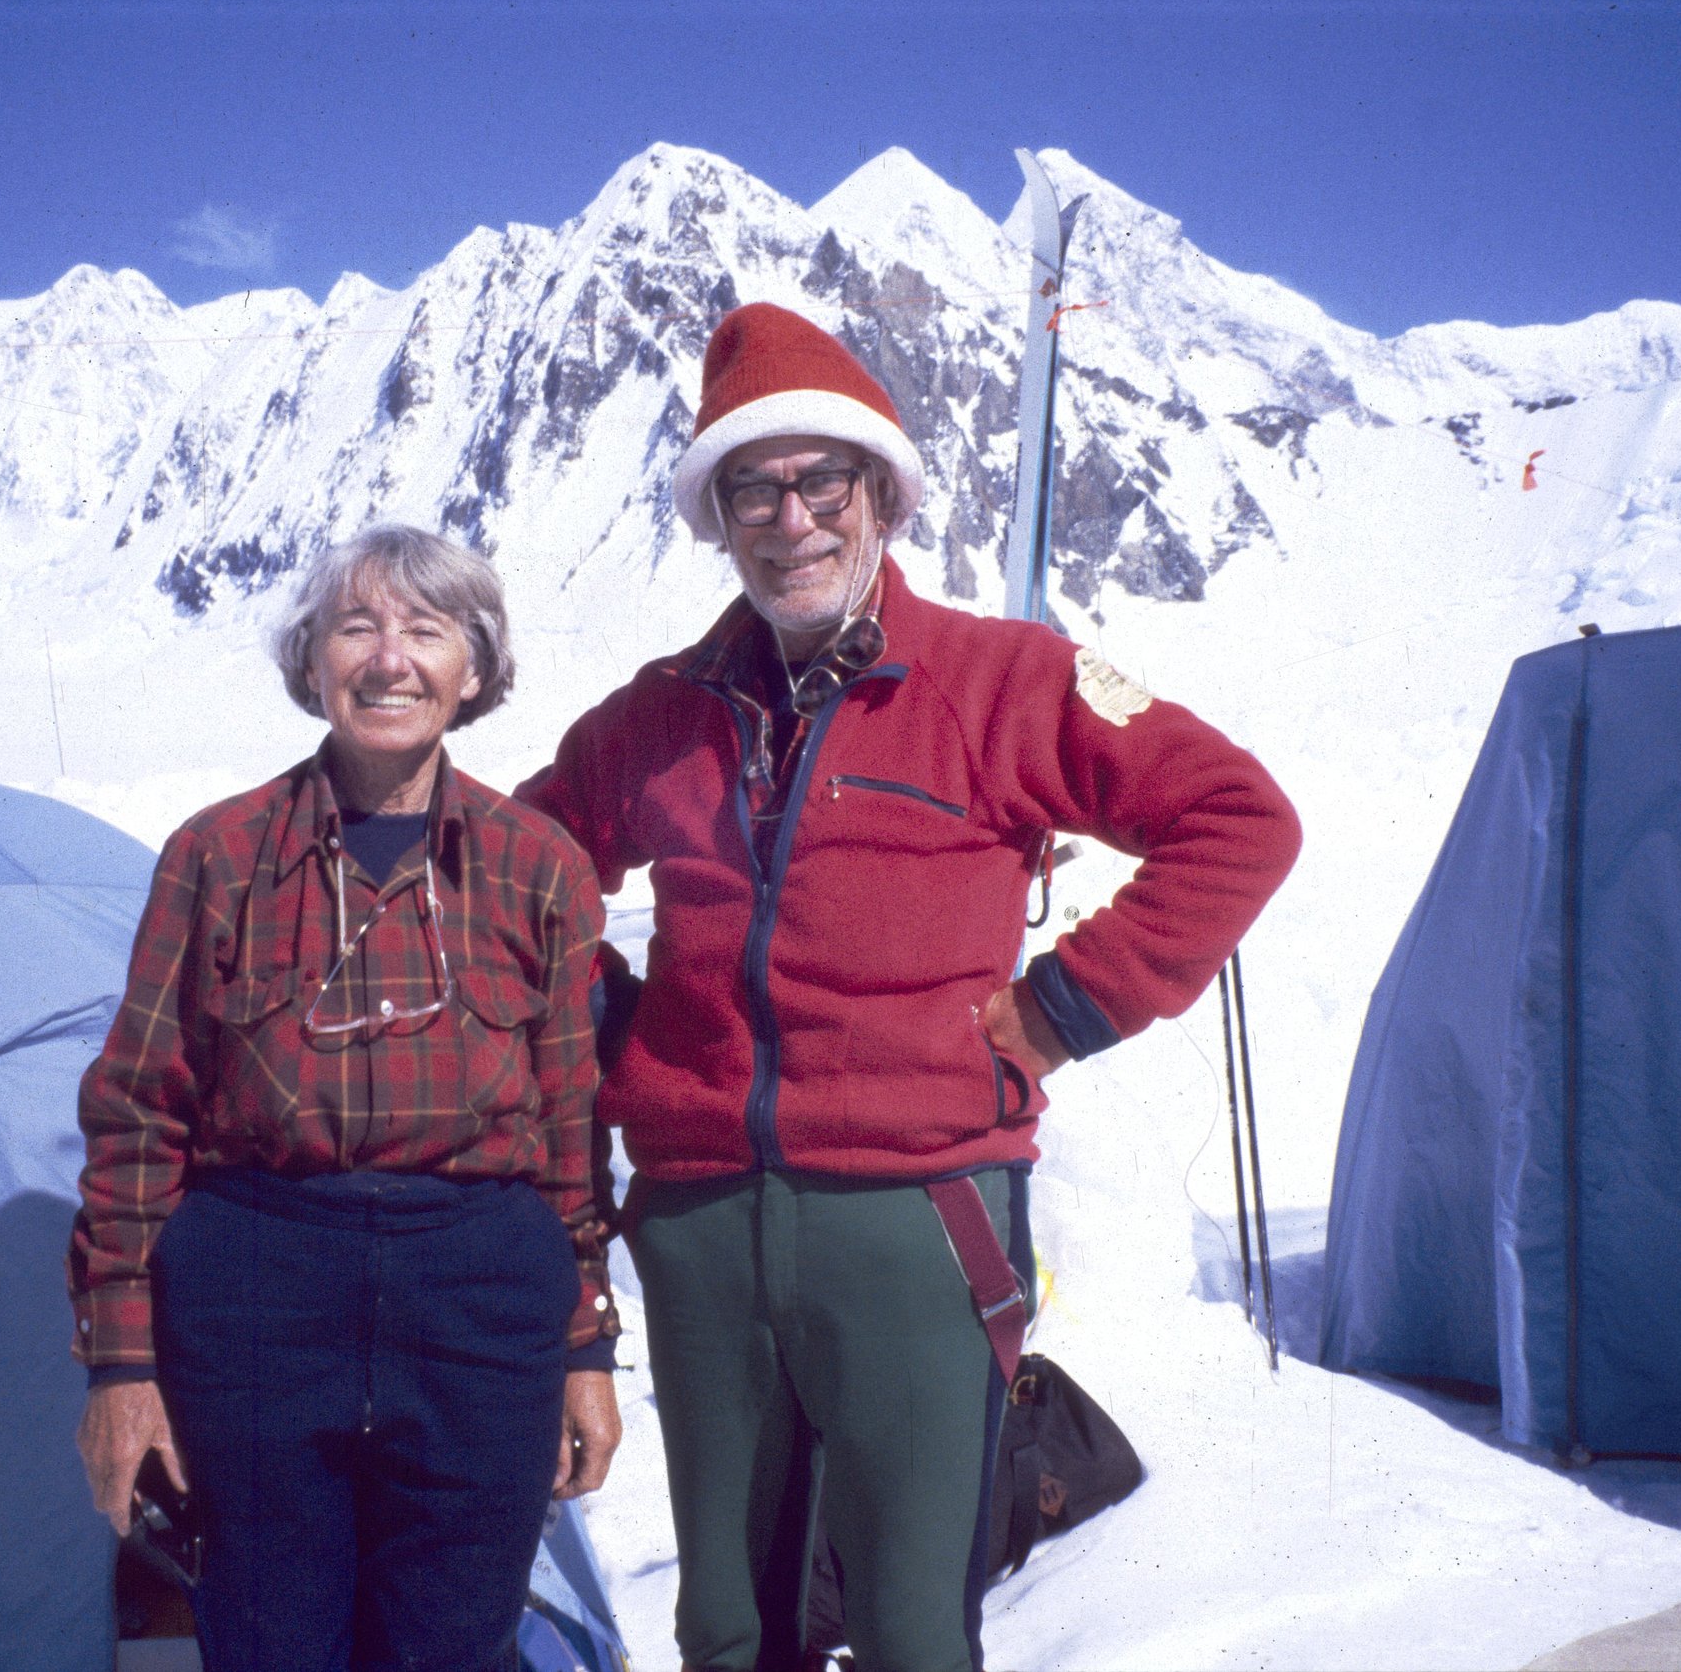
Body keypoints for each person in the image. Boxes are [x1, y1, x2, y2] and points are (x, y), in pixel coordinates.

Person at [518, 303, 1303, 1672]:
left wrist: (1064, 1007)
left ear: (882, 492)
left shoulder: (1004, 681)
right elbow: (515, 873)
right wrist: (611, 1009)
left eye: (824, 478)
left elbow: (1239, 818)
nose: (792, 517)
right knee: (727, 1626)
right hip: (700, 1229)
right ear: (717, 518)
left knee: (911, 1628)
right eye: (751, 488)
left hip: (920, 1220)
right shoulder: (657, 712)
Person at [68, 524, 623, 1672]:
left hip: (477, 1302)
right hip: (258, 1293)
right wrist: (122, 1369)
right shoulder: (215, 856)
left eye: (427, 630)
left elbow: (572, 1128)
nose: (389, 660)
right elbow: (137, 1116)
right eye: (356, 626)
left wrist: (584, 1349)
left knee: (454, 1646)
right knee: (269, 1642)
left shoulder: (539, 866)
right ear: (311, 660)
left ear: (473, 669)